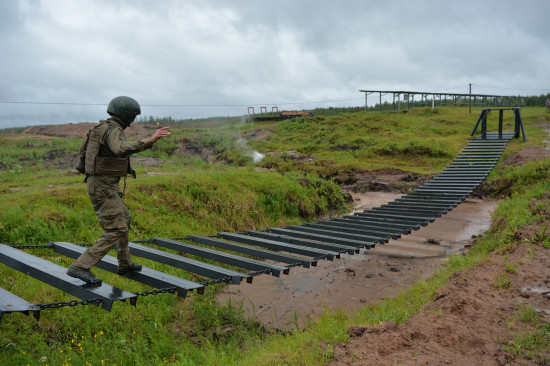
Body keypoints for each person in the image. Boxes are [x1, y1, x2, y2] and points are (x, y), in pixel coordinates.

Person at [67, 96, 171, 284]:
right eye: (133, 117)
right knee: (116, 228)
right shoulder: (113, 130)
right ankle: (80, 266)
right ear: (127, 114)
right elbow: (120, 148)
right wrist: (149, 140)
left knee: (125, 218)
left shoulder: (101, 127)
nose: (133, 122)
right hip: (103, 187)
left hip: (101, 184)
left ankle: (124, 263)